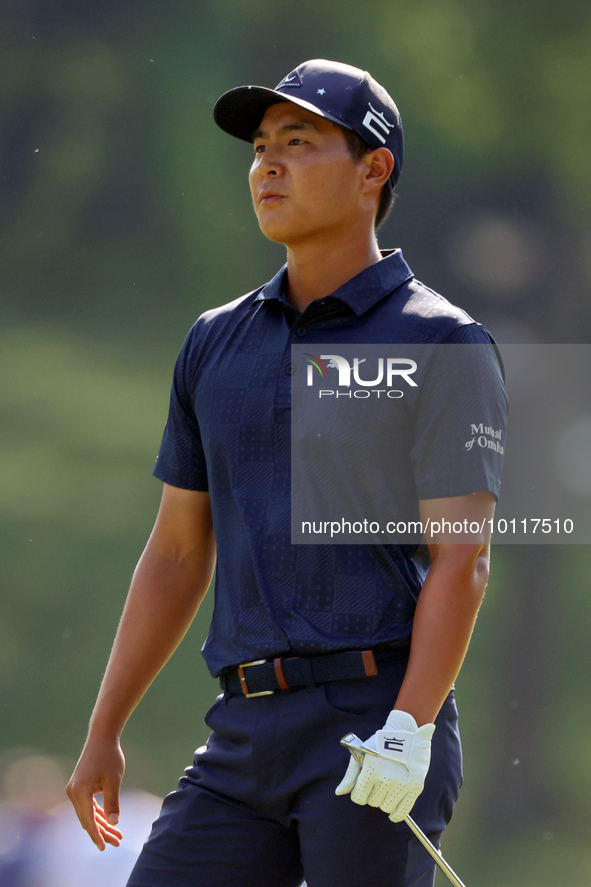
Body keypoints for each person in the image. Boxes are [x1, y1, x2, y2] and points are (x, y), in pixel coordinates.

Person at [67, 59, 508, 887]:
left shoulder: (442, 343)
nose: (267, 164)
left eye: (298, 143)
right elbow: (175, 552)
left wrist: (407, 730)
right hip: (241, 735)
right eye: (261, 146)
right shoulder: (214, 340)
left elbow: (463, 558)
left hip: (372, 728)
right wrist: (104, 729)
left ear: (373, 168)